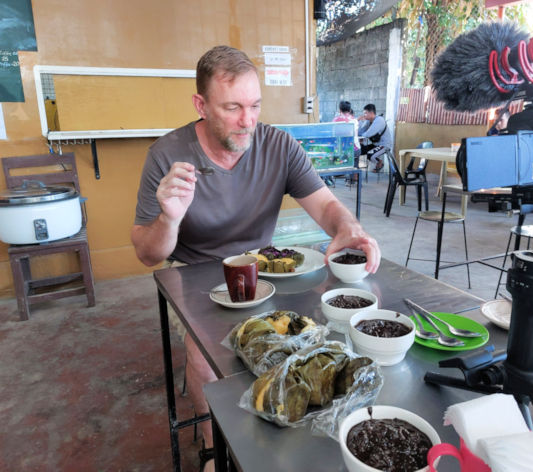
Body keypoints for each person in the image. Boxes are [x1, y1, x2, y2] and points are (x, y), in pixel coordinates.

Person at [131, 46, 381, 471]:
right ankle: (213, 448)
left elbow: (325, 205)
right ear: (201, 105)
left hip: (264, 268)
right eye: (232, 108)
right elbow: (146, 253)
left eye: (255, 106)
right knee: (204, 353)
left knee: (317, 336)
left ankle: (286, 435)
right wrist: (169, 219)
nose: (247, 120)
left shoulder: (278, 145)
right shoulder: (167, 155)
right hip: (194, 272)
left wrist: (349, 228)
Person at [357, 104, 392, 172]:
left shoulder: (379, 120)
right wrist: (359, 121)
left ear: (371, 113)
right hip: (375, 144)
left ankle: (379, 163)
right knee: (360, 149)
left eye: (365, 113)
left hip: (384, 145)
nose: (364, 115)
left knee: (370, 155)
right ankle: (357, 171)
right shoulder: (368, 121)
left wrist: (361, 137)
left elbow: (368, 134)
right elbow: (360, 132)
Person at [333, 100, 360, 167]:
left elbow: (334, 136)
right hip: (354, 150)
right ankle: (355, 172)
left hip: (340, 151)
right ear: (350, 110)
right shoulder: (354, 120)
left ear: (340, 110)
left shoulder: (335, 120)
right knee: (355, 166)